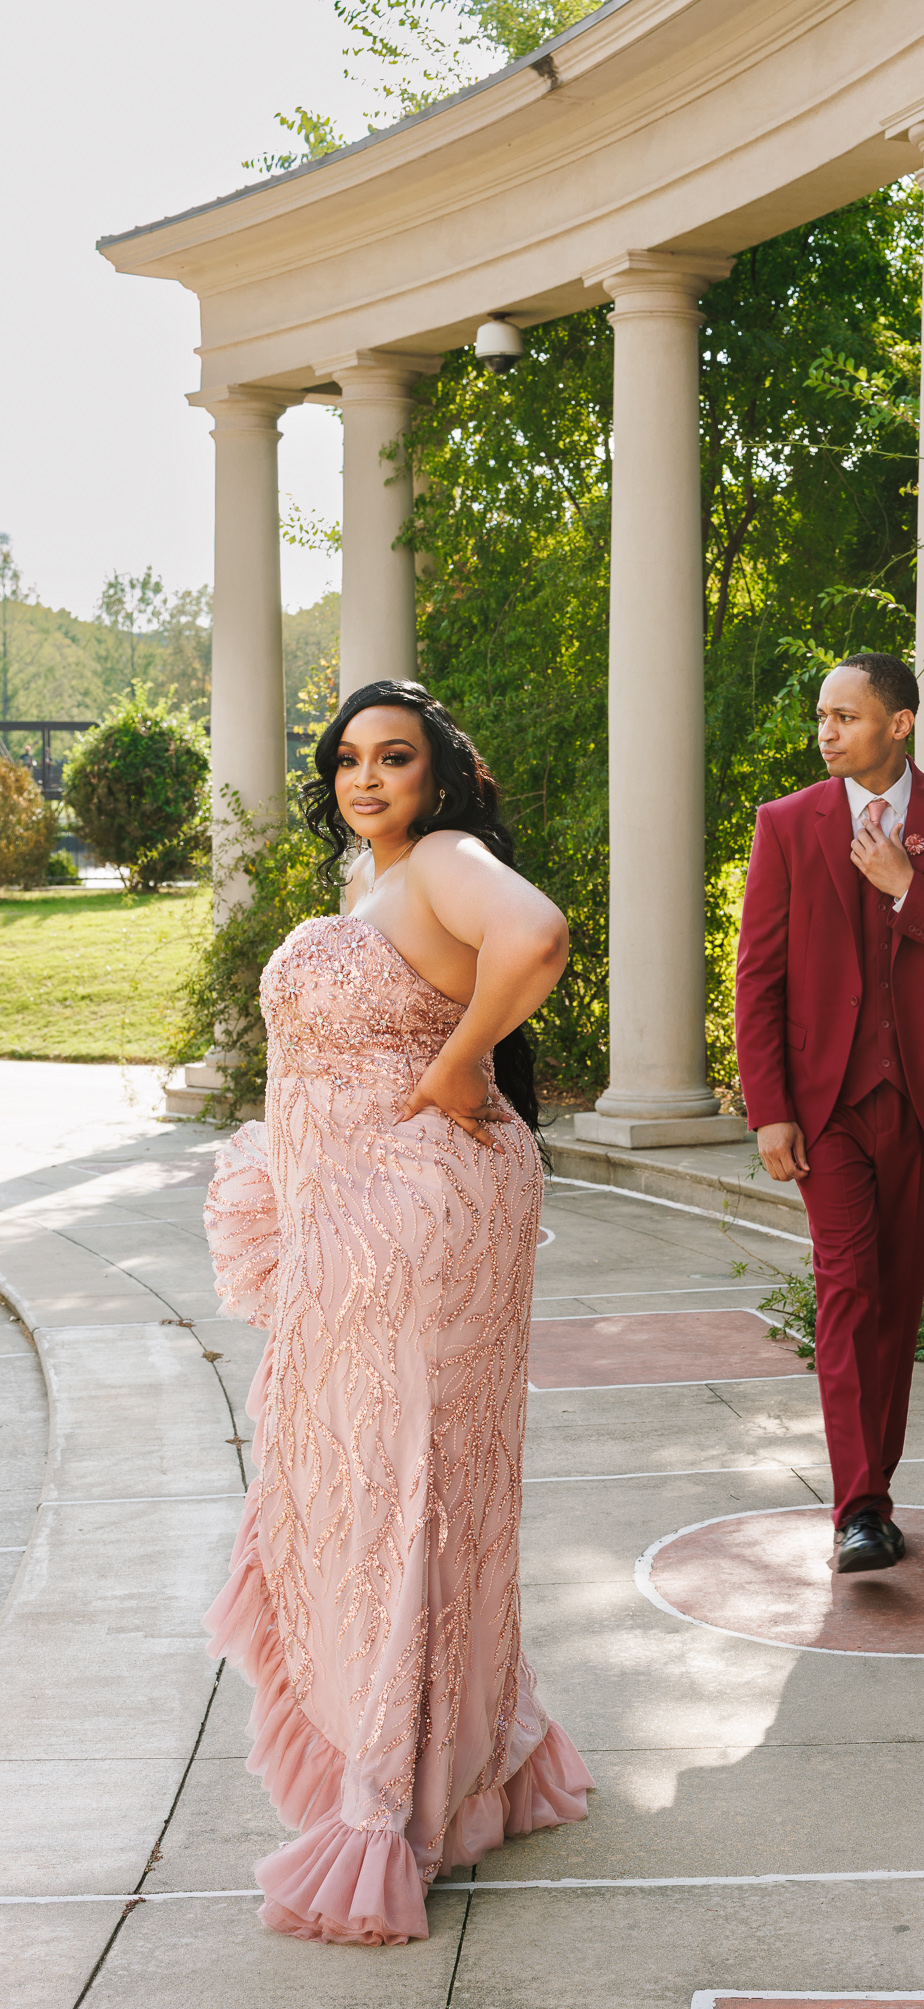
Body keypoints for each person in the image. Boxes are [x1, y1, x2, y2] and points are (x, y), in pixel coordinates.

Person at [202, 679, 593, 1945]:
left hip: (415, 1226)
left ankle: (391, 1796)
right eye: (349, 759)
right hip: (360, 1225)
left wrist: (455, 1057)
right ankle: (473, 1759)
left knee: (401, 1491)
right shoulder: (375, 885)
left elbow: (536, 936)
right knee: (403, 1491)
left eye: (395, 756)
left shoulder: (443, 859)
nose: (367, 778)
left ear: (439, 774)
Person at [734, 652, 924, 1574]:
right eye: (821, 715)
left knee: (896, 1303)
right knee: (847, 1293)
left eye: (845, 716)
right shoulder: (785, 826)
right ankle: (858, 1508)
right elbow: (759, 978)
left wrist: (909, 888)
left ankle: (876, 1492)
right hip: (826, 1110)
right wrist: (769, 1110)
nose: (825, 731)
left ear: (897, 724)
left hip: (922, 1102)